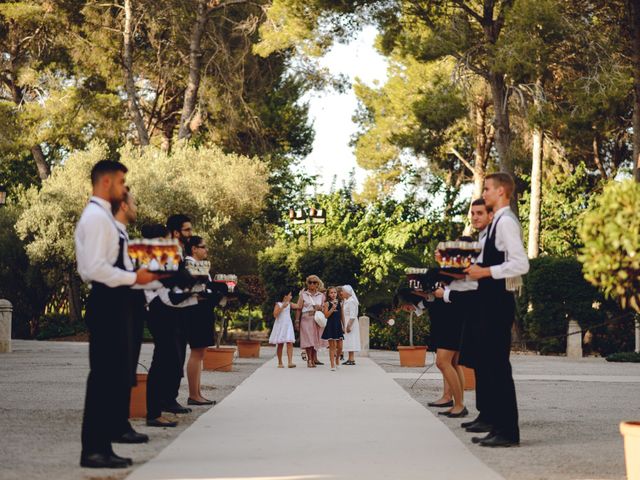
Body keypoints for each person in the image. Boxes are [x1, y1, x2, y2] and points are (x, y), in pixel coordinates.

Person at [75, 160, 157, 469]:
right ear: (106, 182)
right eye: (122, 182)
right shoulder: (96, 217)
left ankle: (102, 445)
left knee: (109, 378)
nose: (125, 189)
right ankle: (94, 450)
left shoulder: (103, 218)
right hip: (107, 300)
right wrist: (135, 278)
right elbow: (93, 268)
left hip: (115, 300)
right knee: (103, 378)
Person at [464, 173, 529, 448]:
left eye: (488, 188)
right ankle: (495, 423)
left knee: (499, 367)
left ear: (501, 191)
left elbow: (521, 264)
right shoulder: (496, 223)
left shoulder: (505, 223)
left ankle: (507, 431)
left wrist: (486, 271)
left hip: (498, 304)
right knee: (490, 365)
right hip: (488, 303)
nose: (484, 191)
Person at [432, 199, 493, 423]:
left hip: (457, 317)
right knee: (452, 363)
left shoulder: (471, 269)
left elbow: (468, 296)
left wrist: (444, 293)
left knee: (443, 361)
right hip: (453, 316)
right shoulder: (458, 270)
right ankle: (458, 404)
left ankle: (459, 404)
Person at [111, 189, 151, 444]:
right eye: (134, 202)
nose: (137, 206)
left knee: (126, 368)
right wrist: (138, 277)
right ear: (124, 206)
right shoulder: (111, 233)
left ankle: (120, 424)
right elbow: (97, 271)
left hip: (131, 305)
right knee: (115, 369)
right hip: (114, 306)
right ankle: (114, 427)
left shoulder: (124, 235)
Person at [183, 236, 216, 406]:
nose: (206, 250)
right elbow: (195, 289)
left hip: (203, 310)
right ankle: (193, 394)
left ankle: (197, 393)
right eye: (203, 247)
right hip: (195, 311)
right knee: (196, 352)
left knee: (201, 352)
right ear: (194, 249)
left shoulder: (200, 266)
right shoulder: (189, 265)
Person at [294, 275, 326, 368]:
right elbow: (299, 308)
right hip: (306, 319)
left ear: (317, 284)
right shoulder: (303, 294)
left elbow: (325, 308)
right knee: (308, 340)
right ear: (307, 283)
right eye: (310, 282)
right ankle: (310, 360)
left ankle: (313, 359)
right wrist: (296, 321)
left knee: (315, 340)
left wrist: (320, 308)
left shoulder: (321, 295)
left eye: (314, 282)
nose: (312, 284)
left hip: (317, 319)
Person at [269, 288, 298, 368]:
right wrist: (282, 307)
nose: (291, 297)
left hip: (288, 325)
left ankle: (290, 362)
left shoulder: (290, 304)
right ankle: (280, 362)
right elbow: (275, 315)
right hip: (280, 325)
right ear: (285, 296)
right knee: (280, 344)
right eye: (290, 295)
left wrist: (301, 295)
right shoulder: (278, 304)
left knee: (290, 343)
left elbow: (299, 306)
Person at [321, 287, 345, 371]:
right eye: (331, 292)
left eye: (335, 292)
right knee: (332, 347)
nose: (333, 294)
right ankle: (332, 364)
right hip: (330, 326)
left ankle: (337, 359)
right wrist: (332, 308)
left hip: (338, 326)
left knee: (340, 347)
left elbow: (342, 315)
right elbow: (326, 315)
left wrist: (344, 326)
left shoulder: (340, 303)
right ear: (328, 294)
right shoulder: (327, 303)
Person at [341, 285, 360, 365]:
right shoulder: (347, 300)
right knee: (348, 340)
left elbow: (353, 315)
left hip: (350, 322)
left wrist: (349, 326)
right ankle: (349, 358)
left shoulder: (351, 301)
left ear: (347, 292)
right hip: (347, 321)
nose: (342, 293)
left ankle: (351, 359)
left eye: (343, 291)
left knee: (351, 339)